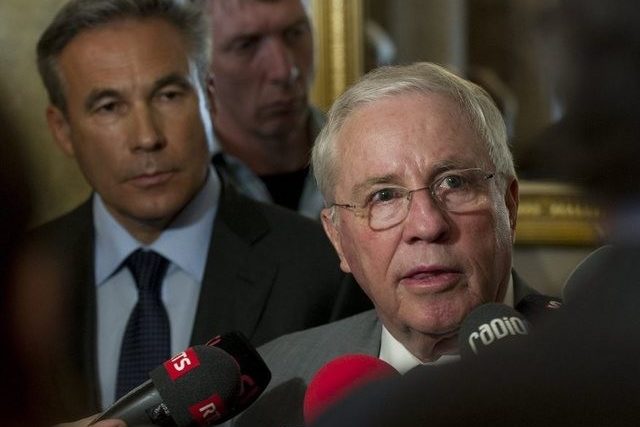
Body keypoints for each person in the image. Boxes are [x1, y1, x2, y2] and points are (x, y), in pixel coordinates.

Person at [32, 0, 369, 422]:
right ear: (62, 129)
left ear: (209, 99)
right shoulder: (21, 274)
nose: (147, 137)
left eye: (168, 95)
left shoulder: (322, 269)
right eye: (109, 107)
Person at [228, 62, 552, 427]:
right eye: (383, 196)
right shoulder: (274, 388)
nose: (427, 225)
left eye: (454, 183)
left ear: (509, 205)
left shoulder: (597, 363)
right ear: (338, 239)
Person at [202, 0, 324, 218]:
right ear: (202, 65)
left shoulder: (361, 151)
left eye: (295, 33)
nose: (284, 71)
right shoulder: (183, 183)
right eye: (246, 45)